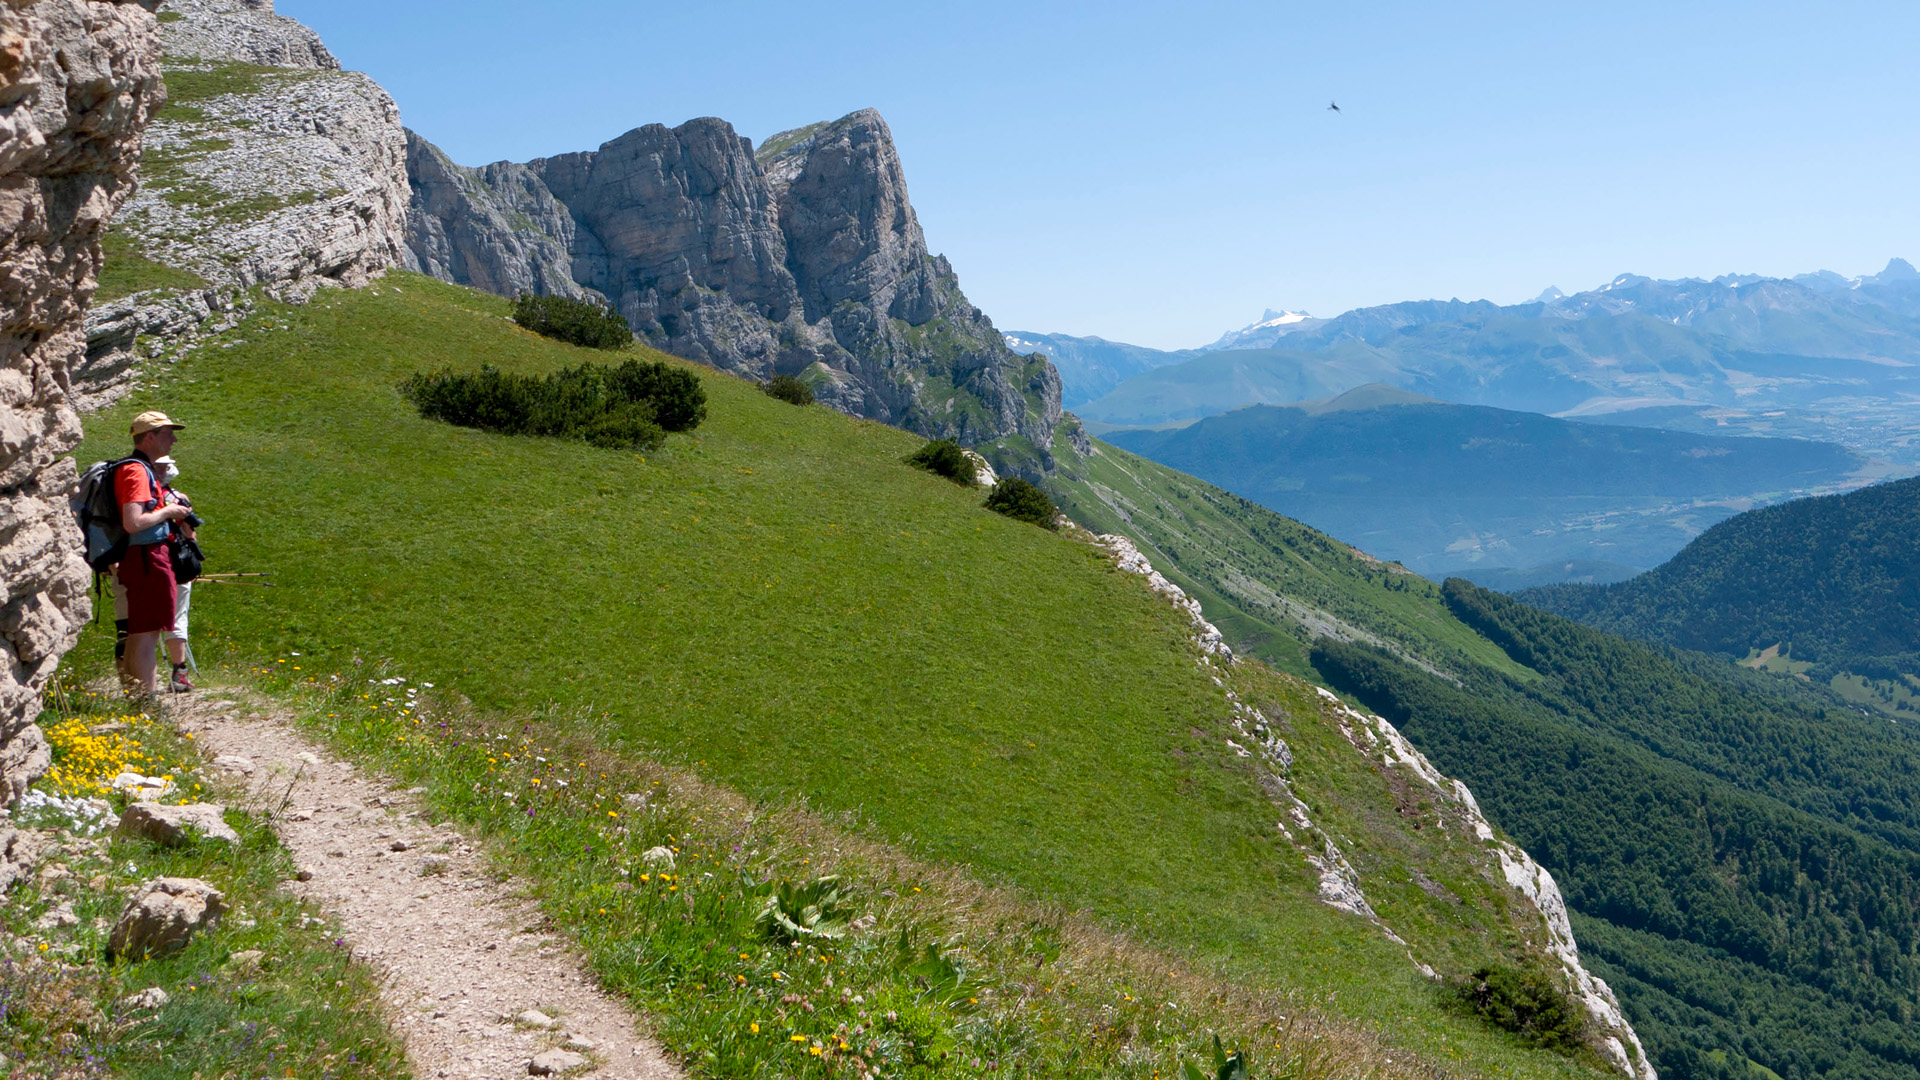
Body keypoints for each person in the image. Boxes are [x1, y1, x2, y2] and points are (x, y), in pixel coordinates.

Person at [116, 412, 195, 697]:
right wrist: (169, 512)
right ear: (149, 437)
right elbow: (133, 522)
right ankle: (146, 700)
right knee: (148, 633)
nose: (173, 439)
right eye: (167, 433)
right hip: (147, 556)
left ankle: (138, 697)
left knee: (141, 632)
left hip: (143, 556)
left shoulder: (139, 468)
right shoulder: (136, 471)